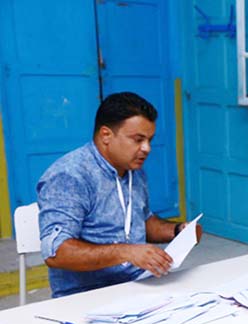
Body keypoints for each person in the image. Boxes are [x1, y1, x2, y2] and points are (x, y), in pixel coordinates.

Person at [37, 92, 202, 298]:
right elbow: (56, 252)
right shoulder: (70, 176)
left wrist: (177, 231)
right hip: (84, 295)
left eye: (150, 140)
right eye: (138, 139)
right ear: (106, 135)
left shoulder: (134, 170)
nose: (147, 148)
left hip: (137, 283)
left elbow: (141, 222)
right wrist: (127, 252)